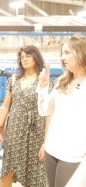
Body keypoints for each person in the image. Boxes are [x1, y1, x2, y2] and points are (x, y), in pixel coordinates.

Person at [0, 45, 48, 187]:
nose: (24, 59)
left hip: (35, 132)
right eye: (22, 57)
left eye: (28, 56)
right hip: (14, 132)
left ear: (36, 58)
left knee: (36, 172)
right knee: (8, 170)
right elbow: (5, 106)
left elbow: (49, 114)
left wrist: (45, 141)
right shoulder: (13, 80)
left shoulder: (44, 81)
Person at [38, 35, 86, 187]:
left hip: (74, 154)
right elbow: (45, 110)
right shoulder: (62, 81)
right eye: (62, 53)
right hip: (52, 149)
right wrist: (44, 87)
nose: (62, 57)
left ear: (81, 53)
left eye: (67, 52)